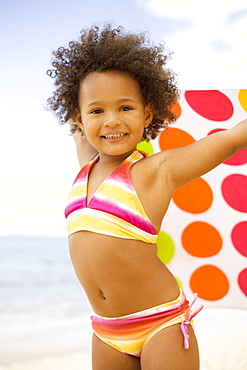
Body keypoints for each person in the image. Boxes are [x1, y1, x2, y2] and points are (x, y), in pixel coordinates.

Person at [46, 23, 247, 370]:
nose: (111, 121)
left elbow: (229, 140)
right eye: (97, 111)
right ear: (80, 119)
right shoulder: (86, 165)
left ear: (147, 115)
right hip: (106, 330)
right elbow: (78, 118)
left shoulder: (156, 171)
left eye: (126, 108)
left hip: (161, 325)